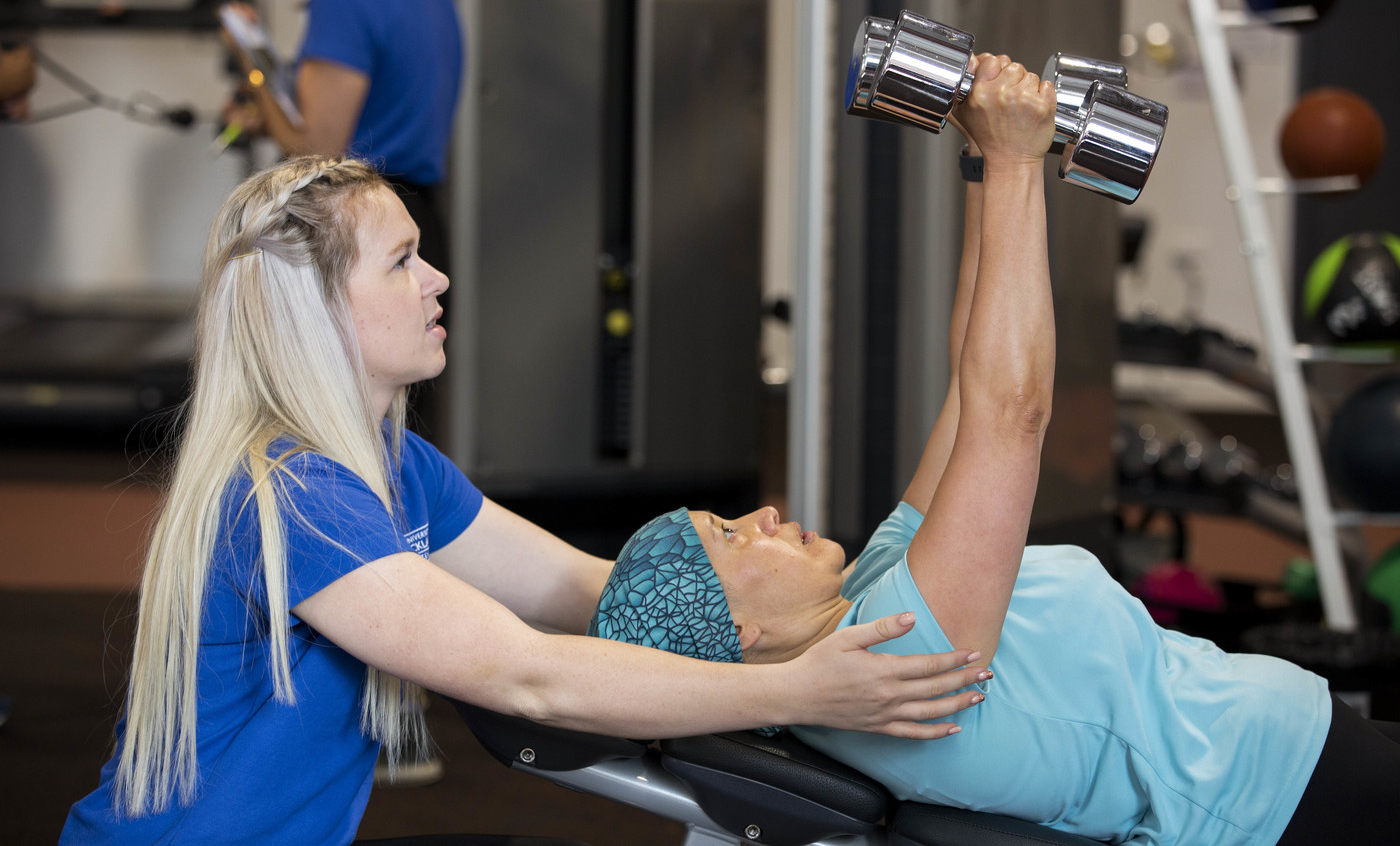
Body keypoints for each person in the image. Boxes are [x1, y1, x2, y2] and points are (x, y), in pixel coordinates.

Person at [589, 54, 1400, 846]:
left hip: (1287, 750)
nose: (763, 512)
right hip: (1279, 798)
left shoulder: (875, 599)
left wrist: (983, 163)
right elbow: (1013, 414)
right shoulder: (899, 659)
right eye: (730, 537)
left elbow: (969, 392)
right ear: (743, 635)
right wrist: (1019, 161)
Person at [57, 155, 988, 844]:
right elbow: (526, 673)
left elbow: (591, 591)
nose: (438, 280)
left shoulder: (395, 466)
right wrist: (793, 684)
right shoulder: (293, 494)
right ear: (320, 309)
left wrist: (818, 604)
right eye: (402, 262)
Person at [222, 0, 462, 436]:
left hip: (362, 232)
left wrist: (251, 60)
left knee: (354, 436)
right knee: (408, 435)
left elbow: (316, 147)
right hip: (413, 220)